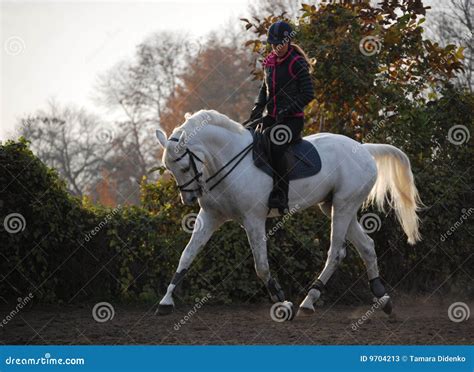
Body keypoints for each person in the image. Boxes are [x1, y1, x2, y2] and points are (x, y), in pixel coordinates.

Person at [248, 20, 315, 214]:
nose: (276, 48)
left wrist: (288, 110)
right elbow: (264, 88)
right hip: (273, 116)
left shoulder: (297, 62)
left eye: (280, 44)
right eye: (273, 44)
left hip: (293, 120)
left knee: (275, 143)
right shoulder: (269, 61)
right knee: (249, 135)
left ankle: (281, 195)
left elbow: (308, 94)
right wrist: (258, 108)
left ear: (287, 42)